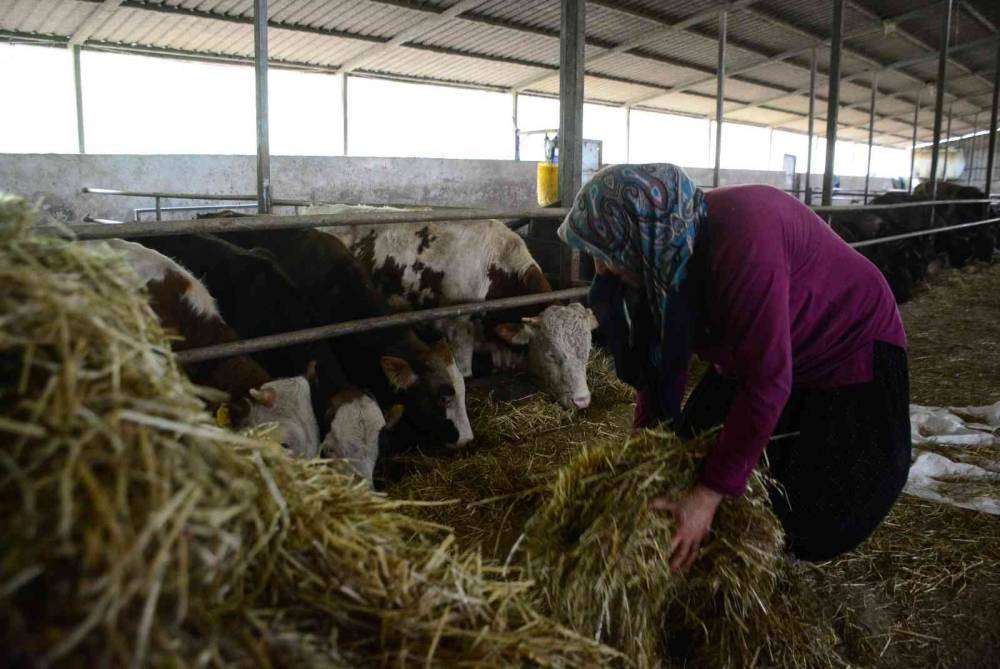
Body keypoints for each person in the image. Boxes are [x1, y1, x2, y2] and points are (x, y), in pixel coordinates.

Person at [559, 164, 911, 570]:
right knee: (692, 446)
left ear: (638, 234)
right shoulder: (669, 249)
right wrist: (644, 454)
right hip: (760, 348)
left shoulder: (744, 238)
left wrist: (707, 496)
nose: (601, 269)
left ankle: (783, 562)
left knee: (819, 506)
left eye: (606, 254)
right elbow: (661, 360)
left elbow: (767, 380)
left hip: (846, 345)